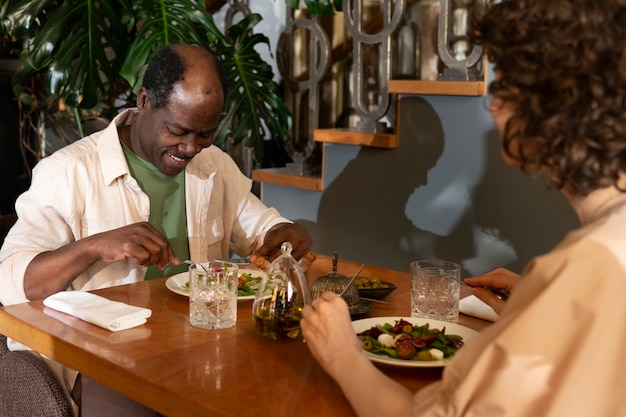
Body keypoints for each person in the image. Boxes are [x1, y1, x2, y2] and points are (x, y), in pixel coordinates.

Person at [300, 1, 626, 416]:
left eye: (504, 86)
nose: (492, 105)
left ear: (555, 103)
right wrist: (534, 305)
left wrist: (342, 356)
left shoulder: (586, 269)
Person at [0, 44, 312, 416]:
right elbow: (12, 283)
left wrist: (289, 232)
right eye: (178, 131)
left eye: (205, 134)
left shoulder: (214, 166)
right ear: (144, 101)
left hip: (199, 350)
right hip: (101, 362)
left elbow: (264, 229)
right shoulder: (68, 173)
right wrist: (94, 246)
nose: (190, 148)